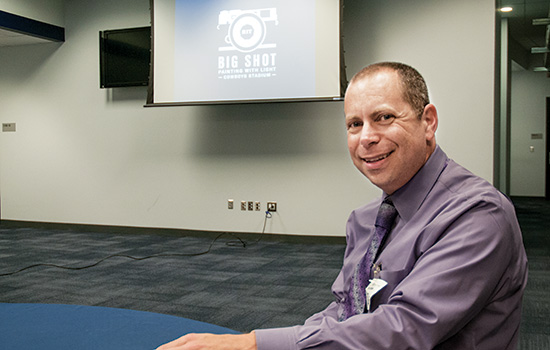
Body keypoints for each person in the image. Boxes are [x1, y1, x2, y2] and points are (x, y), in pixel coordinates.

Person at [156, 62, 528, 350]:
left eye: (383, 117)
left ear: (427, 122)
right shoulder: (367, 220)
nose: (367, 137)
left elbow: (405, 329)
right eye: (354, 124)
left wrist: (255, 342)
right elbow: (346, 311)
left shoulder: (477, 215)